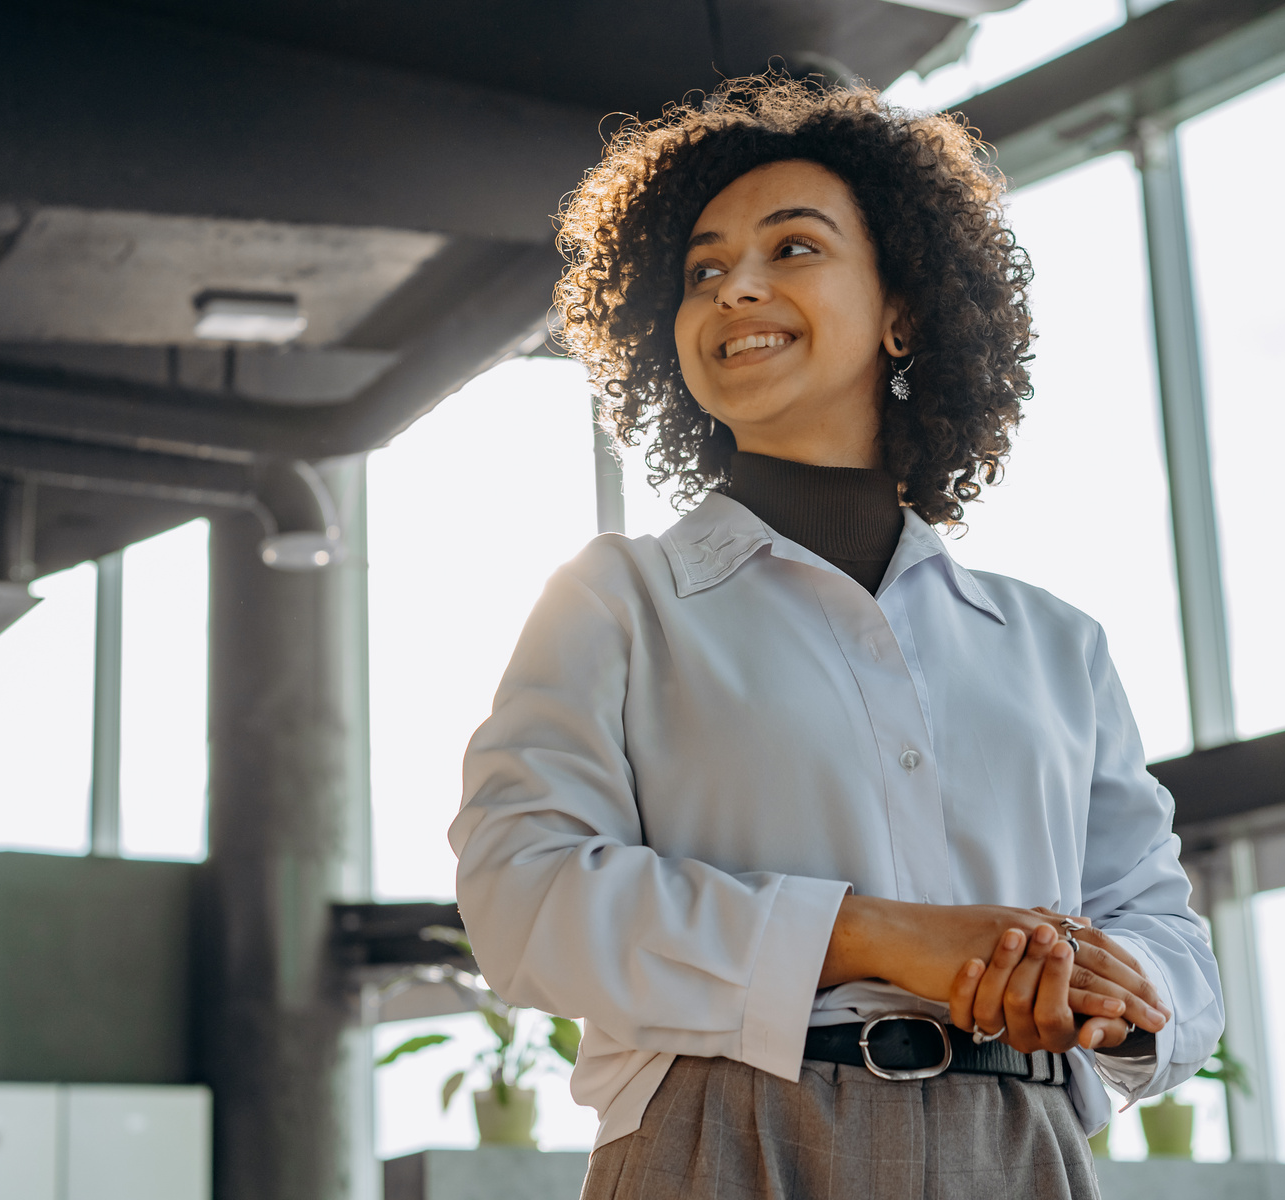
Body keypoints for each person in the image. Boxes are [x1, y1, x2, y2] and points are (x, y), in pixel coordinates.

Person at [450, 76, 1223, 1199]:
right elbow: (524, 900)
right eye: (703, 270)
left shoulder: (1056, 645)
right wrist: (870, 937)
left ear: (903, 308)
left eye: (792, 248)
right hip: (726, 1137)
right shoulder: (617, 599)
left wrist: (1107, 988)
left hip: (1022, 1145)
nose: (736, 289)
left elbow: (1169, 937)